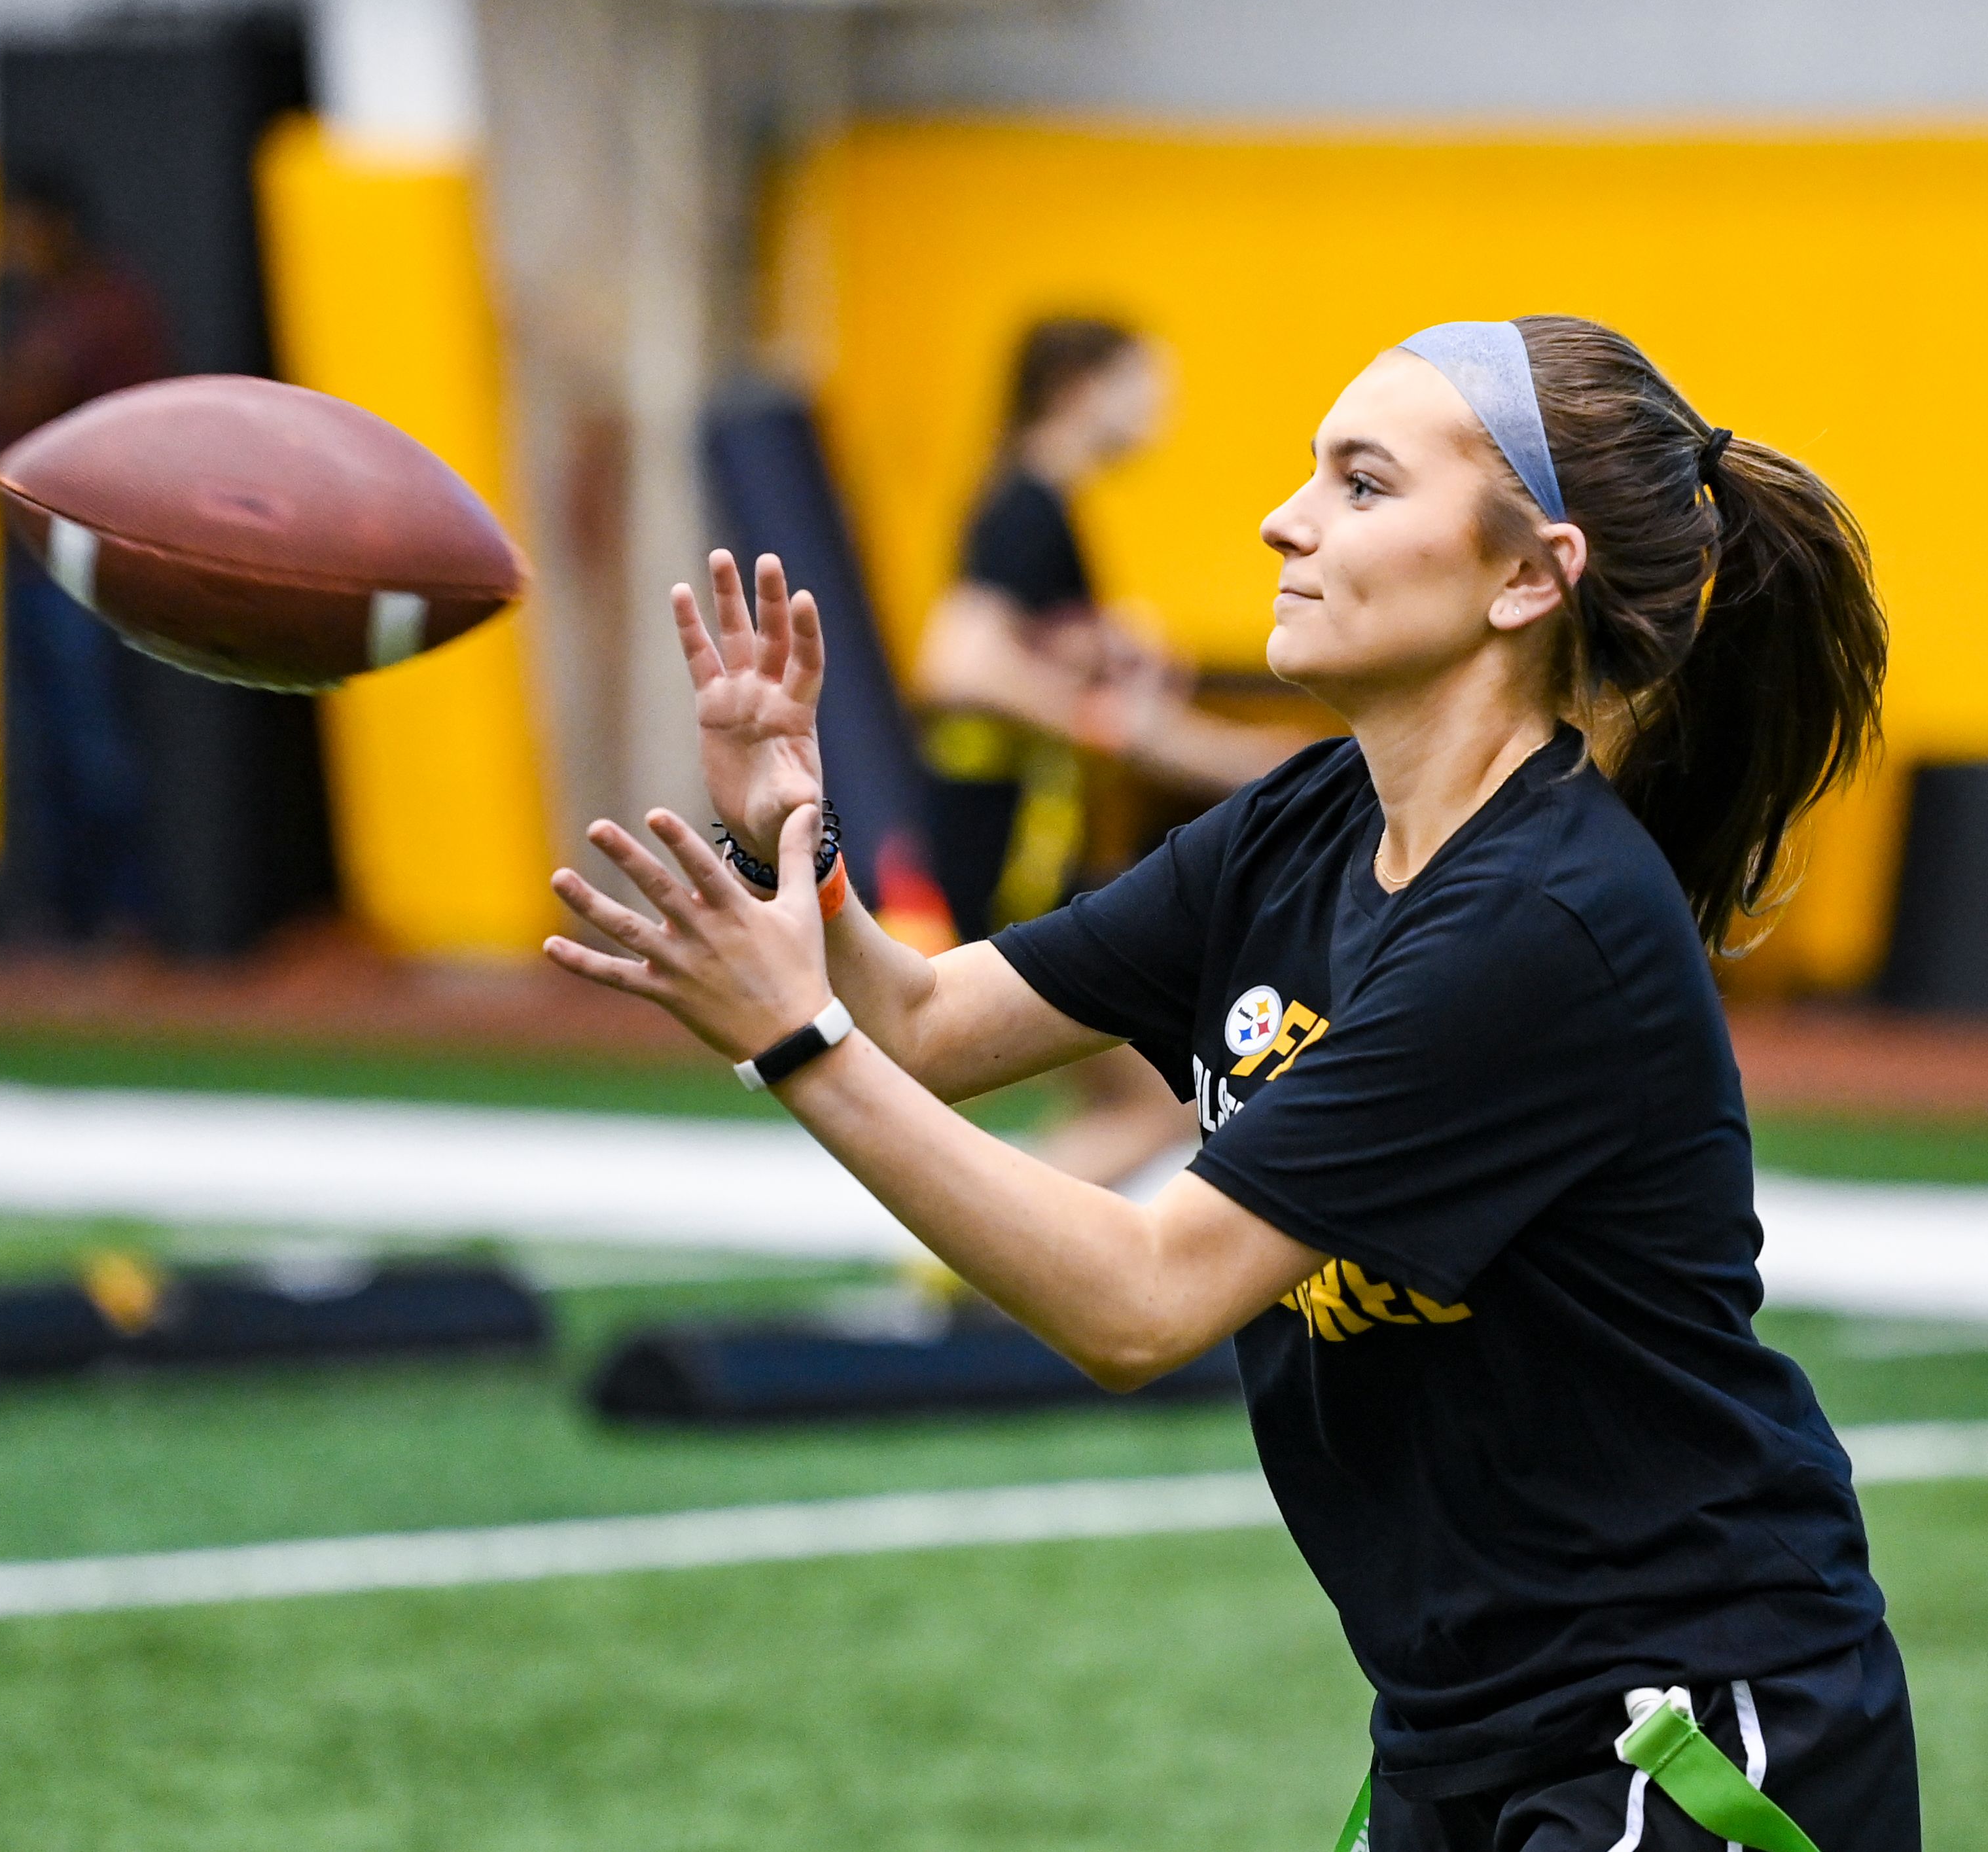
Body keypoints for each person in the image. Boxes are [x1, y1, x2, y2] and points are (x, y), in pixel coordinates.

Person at [545, 313, 1913, 1849]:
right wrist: (792, 842)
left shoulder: (1541, 920)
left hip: (1687, 1716)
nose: (1284, 517)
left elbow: (1142, 1300)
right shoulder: (1306, 820)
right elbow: (924, 1020)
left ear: (1529, 577)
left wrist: (797, 1040)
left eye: (1361, 482)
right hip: (1458, 1726)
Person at [915, 317, 1305, 1183]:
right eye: (1142, 384)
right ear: (1078, 388)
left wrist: (1240, 755)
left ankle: (986, 1250)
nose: (1159, 408)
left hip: (1024, 844)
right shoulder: (1026, 507)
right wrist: (1104, 720)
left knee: (1115, 1097)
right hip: (1014, 854)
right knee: (1160, 1105)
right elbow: (958, 661)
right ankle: (976, 1254)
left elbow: (1085, 687)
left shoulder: (1039, 506)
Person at [0, 174, 172, 943]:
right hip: (38, 558)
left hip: (87, 562)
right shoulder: (48, 312)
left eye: (23, 231)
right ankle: (69, 918)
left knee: (94, 743)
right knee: (52, 748)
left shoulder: (97, 311)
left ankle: (124, 915)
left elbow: (37, 405)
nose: (13, 250)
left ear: (56, 228)